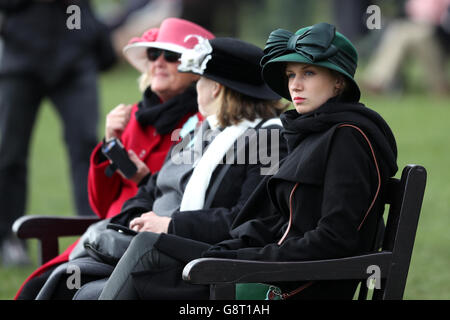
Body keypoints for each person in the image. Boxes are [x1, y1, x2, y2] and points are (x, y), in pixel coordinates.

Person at [96, 22, 399, 300]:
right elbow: (274, 220)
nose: (295, 85)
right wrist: (232, 249)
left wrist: (246, 259)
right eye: (291, 74)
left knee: (144, 269)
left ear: (338, 82)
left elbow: (335, 238)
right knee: (144, 250)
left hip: (292, 285)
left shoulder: (349, 137)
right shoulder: (310, 131)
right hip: (266, 267)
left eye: (308, 73)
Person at [31, 36, 287, 300]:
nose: (196, 87)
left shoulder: (267, 140)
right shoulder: (199, 130)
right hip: (150, 248)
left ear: (216, 89)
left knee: (84, 293)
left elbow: (249, 220)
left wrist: (170, 225)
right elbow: (152, 187)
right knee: (60, 283)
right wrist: (136, 218)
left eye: (200, 80)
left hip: (200, 263)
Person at [14, 17, 215, 300]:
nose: (158, 62)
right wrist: (110, 142)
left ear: (197, 72)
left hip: (143, 248)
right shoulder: (133, 115)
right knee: (43, 288)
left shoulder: (202, 125)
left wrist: (144, 179)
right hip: (105, 238)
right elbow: (101, 204)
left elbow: (184, 202)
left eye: (171, 56)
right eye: (153, 54)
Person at [0, 0, 117, 266]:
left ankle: (92, 233)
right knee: (10, 152)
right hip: (20, 57)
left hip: (75, 56)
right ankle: (9, 237)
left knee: (87, 146)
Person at [362, 0, 450, 95]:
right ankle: (439, 85)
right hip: (420, 33)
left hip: (439, 36)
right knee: (404, 31)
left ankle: (377, 80)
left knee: (412, 33)